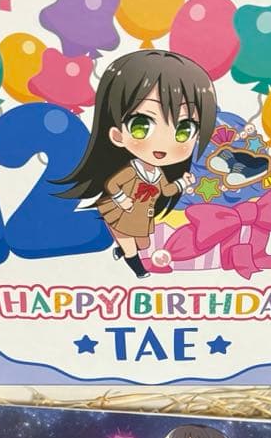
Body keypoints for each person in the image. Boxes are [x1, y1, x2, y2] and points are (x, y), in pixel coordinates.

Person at [57, 49, 217, 278]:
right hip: (122, 213)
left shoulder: (158, 174)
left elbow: (166, 190)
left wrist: (182, 183)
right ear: (117, 135)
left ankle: (122, 251)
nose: (163, 142)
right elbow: (112, 185)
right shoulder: (131, 171)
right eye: (141, 126)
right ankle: (139, 270)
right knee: (132, 247)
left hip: (141, 216)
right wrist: (122, 200)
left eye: (184, 130)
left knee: (142, 244)